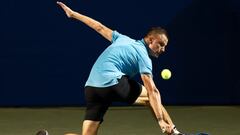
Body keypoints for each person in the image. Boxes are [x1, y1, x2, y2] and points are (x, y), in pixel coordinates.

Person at [57, 1, 184, 135]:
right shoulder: (144, 56)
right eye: (161, 44)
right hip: (112, 83)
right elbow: (153, 91)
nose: (163, 49)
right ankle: (174, 132)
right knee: (151, 97)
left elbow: (99, 27)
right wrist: (160, 121)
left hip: (91, 88)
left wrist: (73, 14)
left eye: (165, 46)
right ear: (151, 40)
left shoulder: (122, 38)